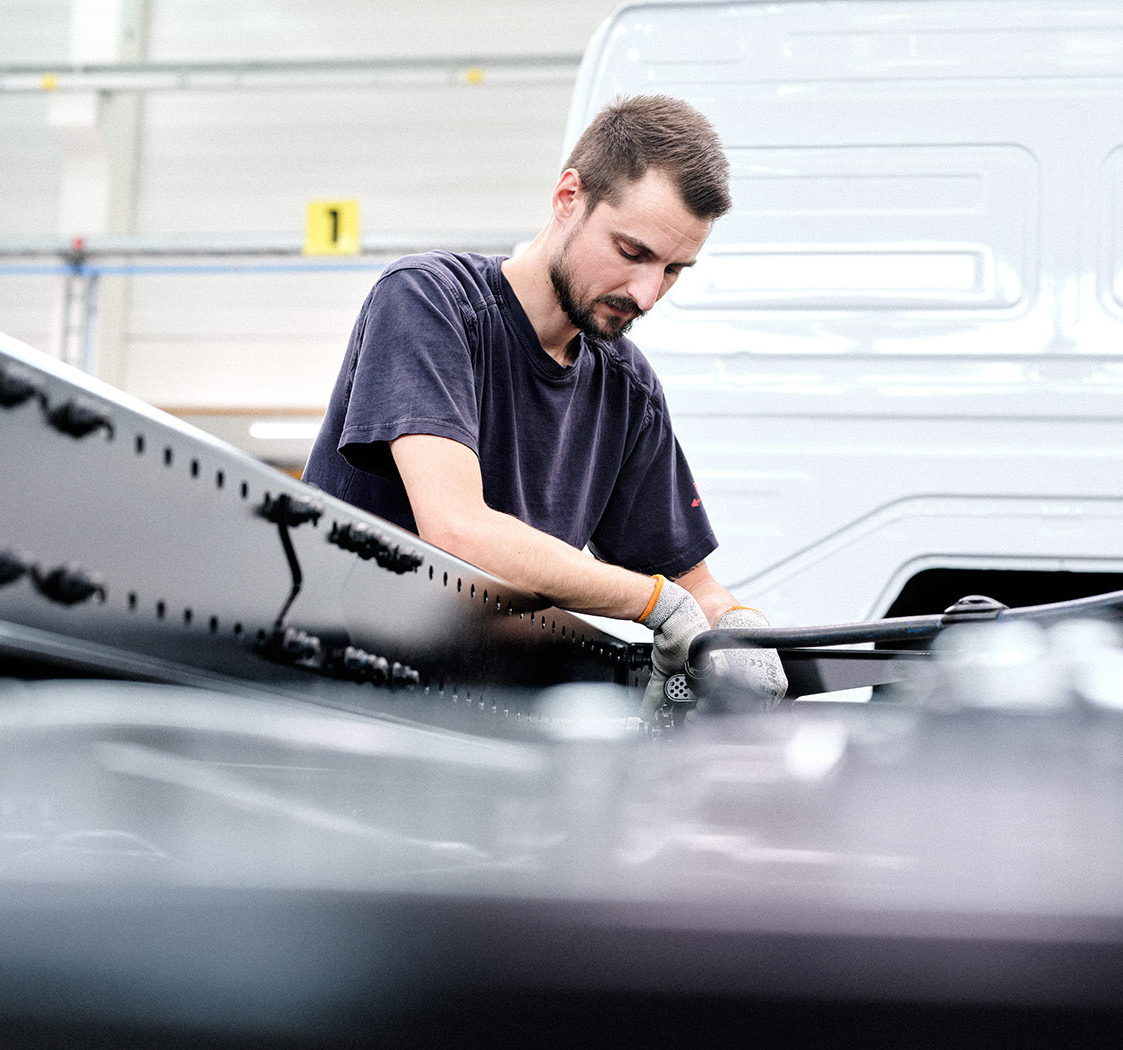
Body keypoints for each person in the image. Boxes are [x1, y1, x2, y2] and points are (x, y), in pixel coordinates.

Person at [302, 94, 786, 717]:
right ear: (568, 198)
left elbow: (696, 587)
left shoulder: (625, 387)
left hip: (486, 718)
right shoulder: (430, 304)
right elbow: (457, 530)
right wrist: (655, 604)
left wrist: (739, 630)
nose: (647, 294)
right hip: (343, 705)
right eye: (632, 252)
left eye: (673, 270)